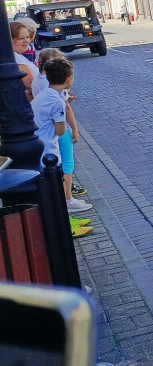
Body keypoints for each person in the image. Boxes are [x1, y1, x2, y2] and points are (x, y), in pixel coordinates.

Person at [32, 58, 93, 234]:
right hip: (49, 151)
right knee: (57, 190)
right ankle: (66, 227)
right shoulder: (57, 101)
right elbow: (59, 131)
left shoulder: (45, 94)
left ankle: (67, 221)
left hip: (40, 146)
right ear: (69, 79)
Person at [11, 20, 39, 100]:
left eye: (27, 37)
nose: (26, 41)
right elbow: (31, 85)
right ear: (10, 40)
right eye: (21, 38)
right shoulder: (16, 58)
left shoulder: (18, 56)